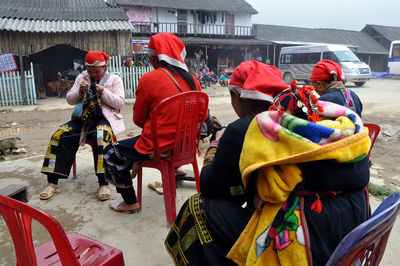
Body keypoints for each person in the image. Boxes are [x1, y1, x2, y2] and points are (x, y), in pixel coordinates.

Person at [228, 81, 371, 265]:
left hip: (315, 251)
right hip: (349, 250)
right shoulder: (352, 149)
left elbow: (268, 193)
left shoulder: (289, 171)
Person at [165, 61, 289, 265]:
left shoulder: (243, 129)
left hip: (274, 230)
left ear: (237, 96)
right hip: (298, 219)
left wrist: (215, 145)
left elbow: (207, 186)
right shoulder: (291, 117)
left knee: (198, 206)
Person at [104, 33, 204, 213]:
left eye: (150, 55)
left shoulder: (149, 79)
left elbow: (139, 120)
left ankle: (129, 202)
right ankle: (170, 166)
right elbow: (201, 117)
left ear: (155, 57)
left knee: (111, 152)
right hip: (186, 146)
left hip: (160, 148)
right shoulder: (193, 80)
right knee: (150, 141)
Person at [40, 50, 125, 201]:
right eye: (90, 71)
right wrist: (79, 91)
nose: (93, 74)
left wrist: (103, 91)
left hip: (103, 119)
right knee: (60, 135)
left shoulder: (114, 79)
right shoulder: (81, 77)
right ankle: (52, 183)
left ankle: (103, 183)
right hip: (81, 120)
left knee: (101, 136)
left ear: (105, 67)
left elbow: (120, 103)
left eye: (97, 71)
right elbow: (70, 100)